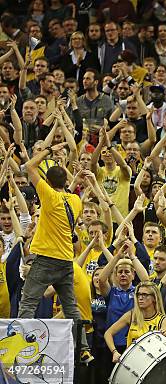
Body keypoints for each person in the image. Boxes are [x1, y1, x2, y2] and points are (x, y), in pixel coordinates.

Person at [18, 142, 92, 363]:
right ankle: (84, 349)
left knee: (28, 302)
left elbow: (29, 166)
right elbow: (66, 193)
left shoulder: (48, 196)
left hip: (46, 260)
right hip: (66, 262)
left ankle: (22, 347)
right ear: (66, 182)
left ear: (48, 182)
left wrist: (50, 149)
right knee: (71, 308)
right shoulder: (75, 200)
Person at [104, 281, 166, 363]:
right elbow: (108, 333)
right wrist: (115, 352)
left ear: (154, 298)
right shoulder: (131, 315)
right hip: (131, 362)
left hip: (151, 363)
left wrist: (164, 334)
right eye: (138, 294)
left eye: (145, 295)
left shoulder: (162, 320)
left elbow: (164, 344)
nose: (140, 298)